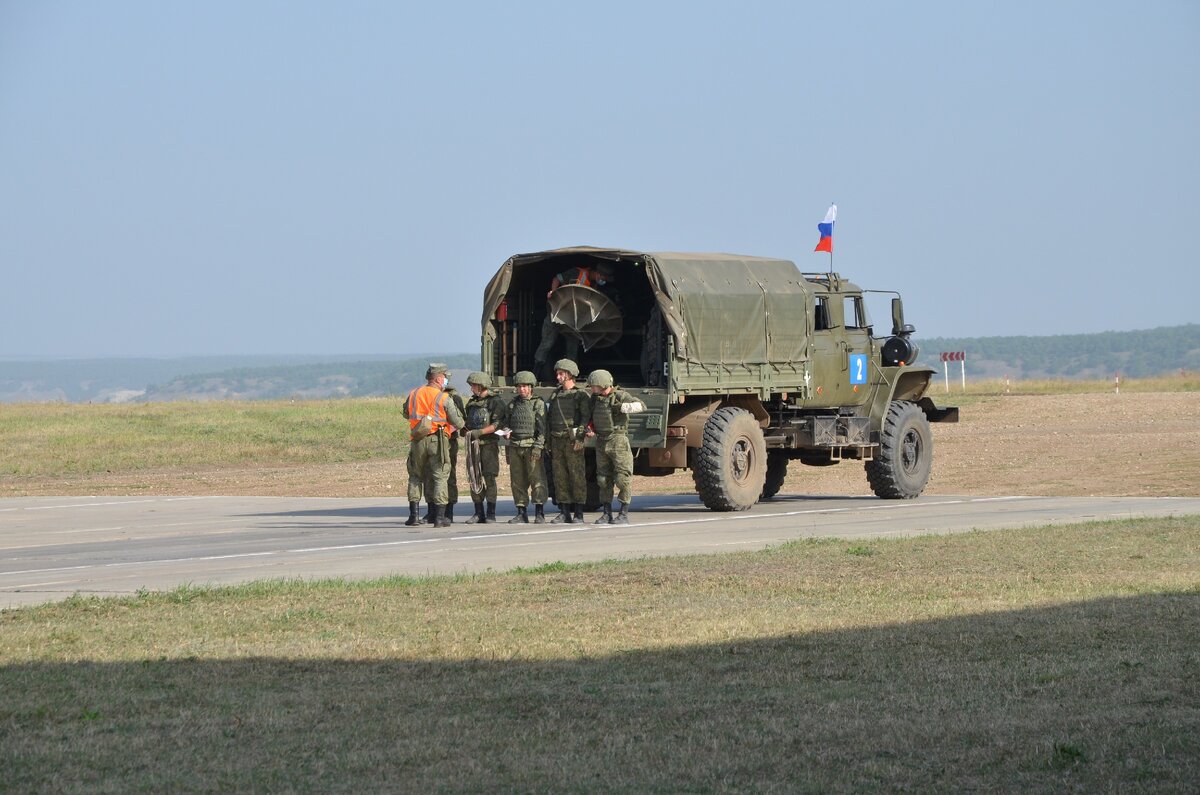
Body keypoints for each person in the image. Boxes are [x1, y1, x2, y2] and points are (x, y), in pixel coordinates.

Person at [401, 363, 464, 528]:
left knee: (415, 476)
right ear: (437, 379)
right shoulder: (443, 398)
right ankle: (439, 517)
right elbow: (458, 421)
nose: (446, 380)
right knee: (440, 477)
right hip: (437, 440)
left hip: (417, 440)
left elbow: (406, 413)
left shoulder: (414, 394)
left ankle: (413, 516)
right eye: (444, 377)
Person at [532, 262, 615, 376]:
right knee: (547, 343)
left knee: (572, 348)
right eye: (603, 277)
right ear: (598, 273)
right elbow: (556, 279)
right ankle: (535, 373)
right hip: (556, 314)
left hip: (573, 321)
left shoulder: (593, 286)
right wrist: (553, 291)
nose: (603, 280)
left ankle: (570, 376)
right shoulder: (577, 273)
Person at [585, 369, 643, 524]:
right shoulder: (595, 399)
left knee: (622, 479)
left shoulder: (620, 396)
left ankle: (623, 513)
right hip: (601, 441)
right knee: (603, 479)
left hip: (618, 441)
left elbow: (640, 405)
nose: (591, 388)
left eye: (594, 385)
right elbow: (591, 417)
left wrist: (622, 407)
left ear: (602, 384)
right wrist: (590, 428)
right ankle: (606, 513)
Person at [496, 370, 547, 523]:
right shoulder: (512, 404)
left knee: (537, 480)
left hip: (531, 446)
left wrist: (538, 447)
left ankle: (539, 512)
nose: (522, 389)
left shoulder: (538, 403)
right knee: (517, 481)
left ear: (531, 387)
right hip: (515, 446)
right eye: (519, 386)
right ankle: (521, 512)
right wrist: (506, 432)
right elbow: (506, 423)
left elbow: (543, 429)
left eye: (525, 386)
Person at [546, 358, 591, 523]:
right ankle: (564, 511)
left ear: (570, 375)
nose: (558, 377)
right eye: (557, 374)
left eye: (561, 374)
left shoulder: (580, 395)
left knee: (576, 476)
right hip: (557, 440)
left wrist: (580, 437)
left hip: (572, 441)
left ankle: (578, 513)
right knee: (560, 477)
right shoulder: (555, 394)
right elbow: (549, 418)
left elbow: (585, 418)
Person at [462, 371, 503, 524]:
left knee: (490, 478)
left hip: (488, 445)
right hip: (474, 445)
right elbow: (467, 422)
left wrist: (480, 432)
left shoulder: (495, 402)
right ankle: (478, 512)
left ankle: (491, 513)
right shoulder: (472, 403)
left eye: (473, 385)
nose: (471, 388)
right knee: (474, 478)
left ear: (481, 386)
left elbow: (498, 424)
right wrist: (464, 430)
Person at [423, 380, 466, 524]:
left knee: (448, 476)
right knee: (429, 476)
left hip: (448, 441)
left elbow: (460, 420)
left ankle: (448, 512)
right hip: (429, 441)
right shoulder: (427, 395)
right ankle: (431, 511)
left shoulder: (452, 397)